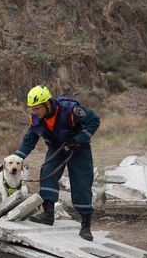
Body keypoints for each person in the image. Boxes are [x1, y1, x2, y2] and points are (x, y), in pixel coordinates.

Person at [14, 85, 100, 241]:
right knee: (47, 171)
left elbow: (94, 121)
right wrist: (15, 159)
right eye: (32, 109)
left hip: (78, 149)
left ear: (48, 104)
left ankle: (86, 226)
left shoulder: (71, 110)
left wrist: (77, 139)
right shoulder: (36, 119)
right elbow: (29, 141)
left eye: (37, 108)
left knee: (81, 184)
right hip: (56, 148)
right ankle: (48, 215)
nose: (35, 112)